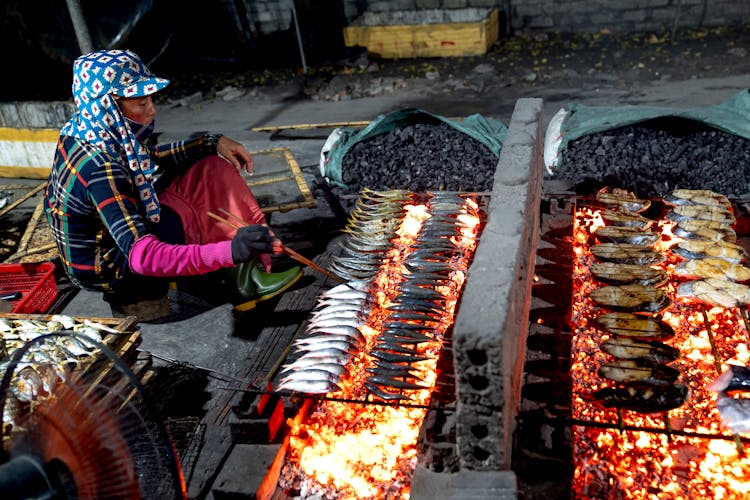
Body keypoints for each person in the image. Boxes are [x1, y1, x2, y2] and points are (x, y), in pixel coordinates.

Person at [45, 49, 302, 320]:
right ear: (109, 107)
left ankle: (245, 275)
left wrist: (210, 142)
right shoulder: (101, 169)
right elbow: (142, 256)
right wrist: (230, 251)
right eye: (141, 103)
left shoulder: (86, 128)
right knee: (200, 207)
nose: (152, 110)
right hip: (108, 268)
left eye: (150, 100)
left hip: (108, 242)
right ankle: (241, 275)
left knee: (211, 168)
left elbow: (146, 159)